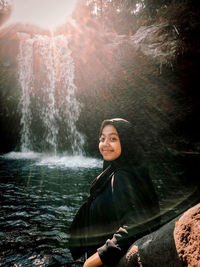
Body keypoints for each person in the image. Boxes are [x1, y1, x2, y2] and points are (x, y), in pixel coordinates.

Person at [69, 118, 160, 267]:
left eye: (113, 138)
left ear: (126, 141)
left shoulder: (121, 177)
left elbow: (135, 225)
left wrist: (95, 260)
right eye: (102, 138)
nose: (105, 144)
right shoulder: (125, 170)